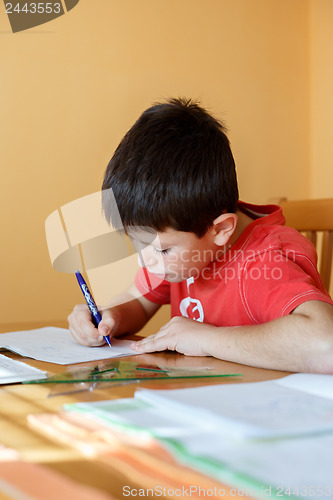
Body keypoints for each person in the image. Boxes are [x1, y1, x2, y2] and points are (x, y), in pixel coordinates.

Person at [68, 98, 333, 373]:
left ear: (220, 230)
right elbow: (138, 299)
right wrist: (109, 317)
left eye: (161, 250)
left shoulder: (265, 260)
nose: (145, 262)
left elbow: (326, 344)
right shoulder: (183, 242)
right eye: (137, 244)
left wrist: (205, 339)